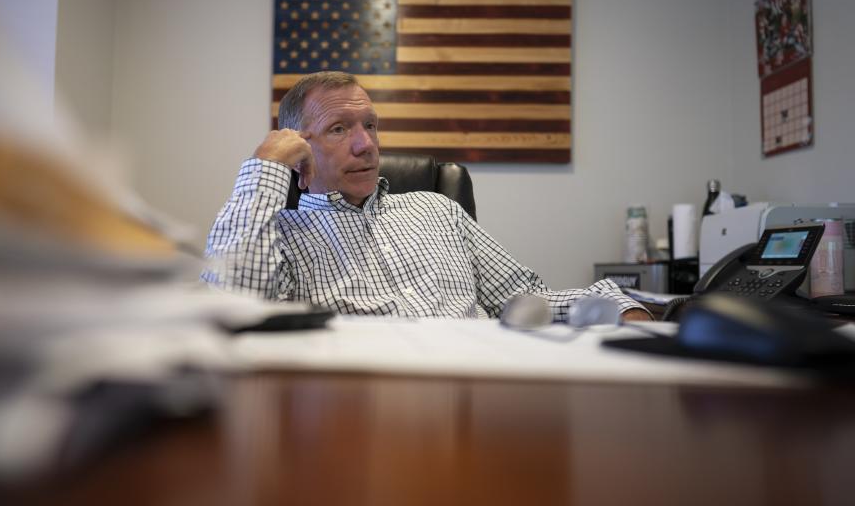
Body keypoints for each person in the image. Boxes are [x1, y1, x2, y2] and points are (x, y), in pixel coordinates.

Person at [203, 71, 651, 322]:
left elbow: (524, 298)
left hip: (470, 402)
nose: (366, 145)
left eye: (371, 126)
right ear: (299, 147)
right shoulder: (281, 235)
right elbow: (230, 310)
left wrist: (618, 307)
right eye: (339, 129)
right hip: (354, 414)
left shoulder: (437, 209)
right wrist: (264, 168)